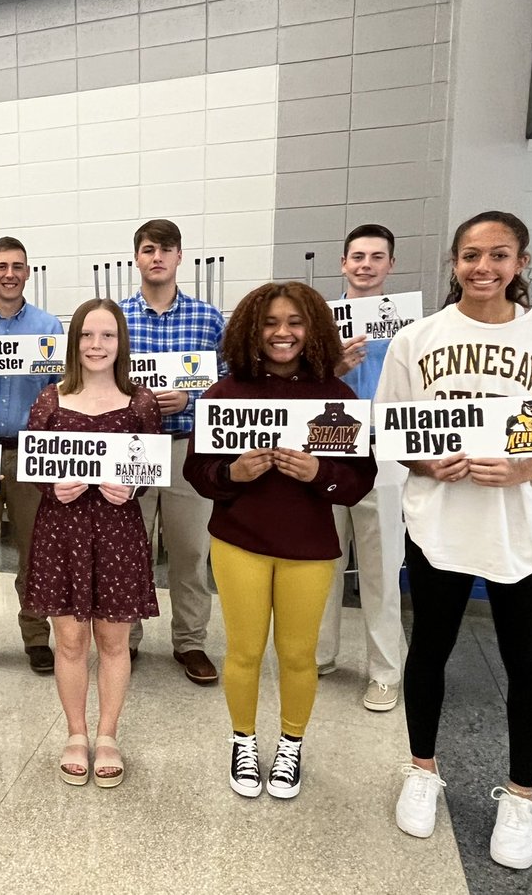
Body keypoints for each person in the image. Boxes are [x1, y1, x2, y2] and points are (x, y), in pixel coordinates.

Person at [377, 211, 532, 870]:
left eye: (498, 255)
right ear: (454, 263)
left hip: (524, 528)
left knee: (525, 660)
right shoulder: (417, 339)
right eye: (471, 255)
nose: (483, 267)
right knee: (430, 649)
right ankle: (423, 770)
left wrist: (522, 468)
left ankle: (521, 795)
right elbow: (394, 435)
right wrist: (427, 463)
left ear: (520, 263)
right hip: (440, 524)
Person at [184, 282, 376, 800]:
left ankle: (291, 742)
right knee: (243, 652)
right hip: (238, 541)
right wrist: (234, 474)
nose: (282, 332)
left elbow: (359, 483)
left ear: (312, 329)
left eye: (294, 322)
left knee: (298, 654)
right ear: (252, 328)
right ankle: (242, 739)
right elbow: (199, 474)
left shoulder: (336, 396)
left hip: (309, 548)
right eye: (270, 322)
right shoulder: (224, 394)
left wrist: (319, 472)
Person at [25, 298, 162, 788]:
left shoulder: (140, 402)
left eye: (107, 335)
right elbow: (33, 463)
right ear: (74, 341)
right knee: (69, 639)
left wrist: (134, 486)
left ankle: (108, 734)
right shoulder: (50, 399)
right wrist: (50, 486)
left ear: (121, 342)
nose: (96, 345)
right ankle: (75, 733)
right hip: (61, 531)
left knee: (112, 639)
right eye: (86, 335)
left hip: (118, 534)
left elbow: (151, 466)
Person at [120, 219, 225, 685]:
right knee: (128, 548)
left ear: (180, 256)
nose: (156, 257)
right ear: (137, 258)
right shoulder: (115, 319)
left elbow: (228, 385)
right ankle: (125, 639)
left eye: (165, 249)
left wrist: (192, 399)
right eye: (147, 249)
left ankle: (191, 642)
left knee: (189, 551)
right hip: (132, 449)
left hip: (187, 449)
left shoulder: (208, 318)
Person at [0, 236, 64, 680]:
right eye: (0, 266)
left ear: (27, 271)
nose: (9, 273)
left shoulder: (49, 327)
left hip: (30, 452)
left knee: (35, 552)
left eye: (17, 266)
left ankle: (36, 637)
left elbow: (65, 391)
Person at [316, 225, 409, 711]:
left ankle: (386, 673)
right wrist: (331, 369)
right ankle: (320, 656)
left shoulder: (411, 327)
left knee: (381, 567)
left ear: (391, 265)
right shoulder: (319, 322)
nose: (366, 264)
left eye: (377, 256)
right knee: (322, 560)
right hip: (328, 445)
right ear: (343, 262)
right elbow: (296, 387)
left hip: (387, 448)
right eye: (357, 256)